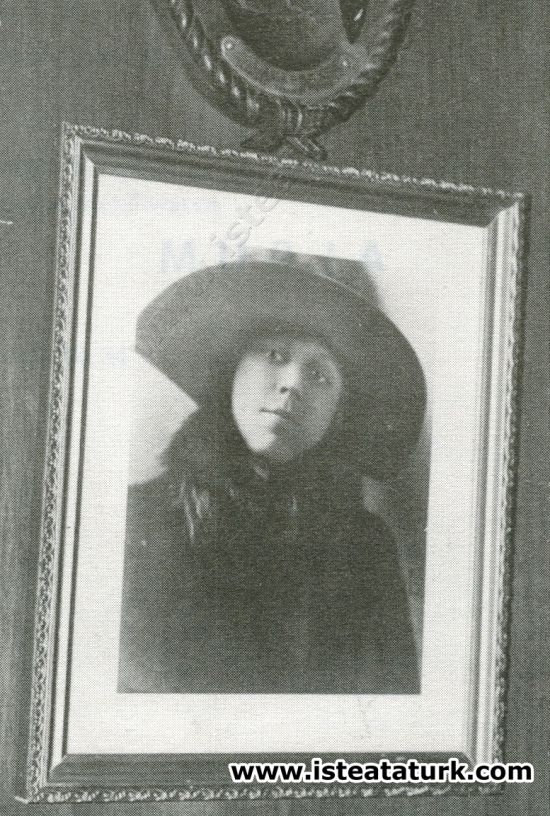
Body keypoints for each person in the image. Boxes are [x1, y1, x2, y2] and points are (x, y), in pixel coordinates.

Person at [118, 250, 425, 694]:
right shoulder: (142, 520)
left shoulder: (366, 551)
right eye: (276, 354)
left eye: (320, 375)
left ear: (337, 414)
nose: (293, 384)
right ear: (233, 371)